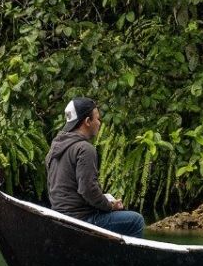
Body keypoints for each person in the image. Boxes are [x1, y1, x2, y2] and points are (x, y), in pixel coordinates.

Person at [45, 96, 146, 238]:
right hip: (80, 220)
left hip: (59, 217)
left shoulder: (55, 148)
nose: (99, 123)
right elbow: (87, 190)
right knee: (136, 221)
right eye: (97, 119)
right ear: (87, 121)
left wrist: (104, 200)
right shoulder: (85, 149)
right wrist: (111, 206)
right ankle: (128, 259)